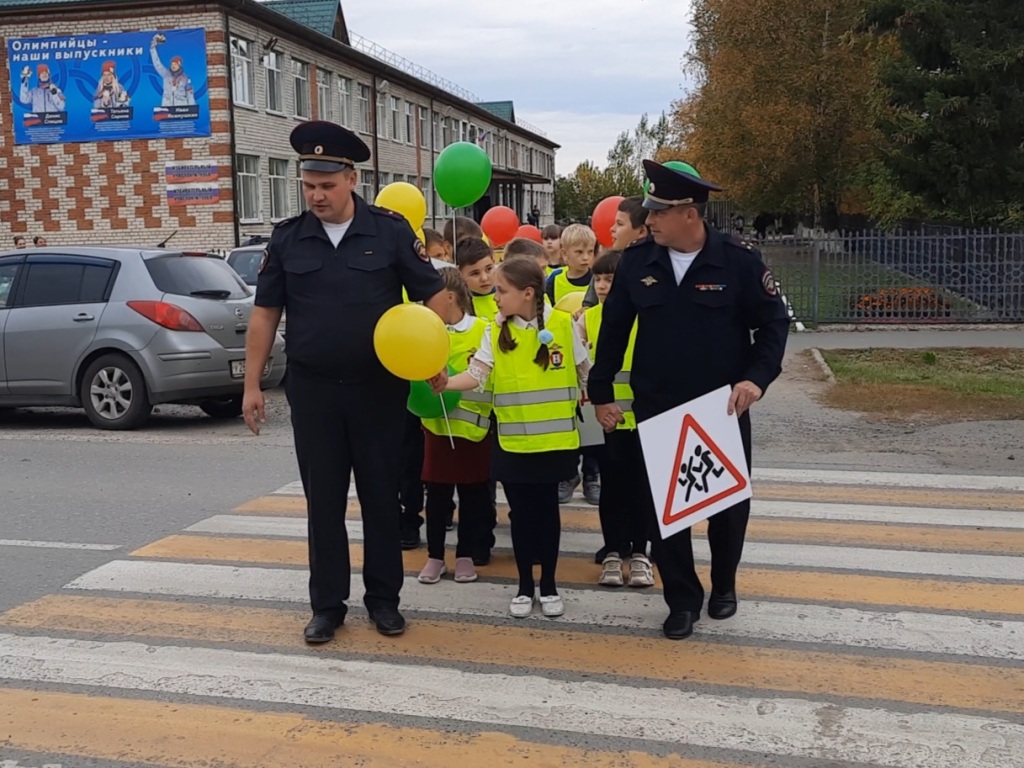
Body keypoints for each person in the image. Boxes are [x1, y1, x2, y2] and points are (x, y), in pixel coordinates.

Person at [243, 120, 446, 643]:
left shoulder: (391, 231)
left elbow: (433, 299)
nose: (317, 195)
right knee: (324, 501)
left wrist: (434, 355)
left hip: (378, 391)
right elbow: (265, 315)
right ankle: (327, 606)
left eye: (327, 185)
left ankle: (384, 601)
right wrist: (252, 385)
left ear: (351, 179)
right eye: (309, 184)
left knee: (381, 496)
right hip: (313, 393)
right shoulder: (289, 239)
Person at [589, 159, 788, 641]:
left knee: (726, 506)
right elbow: (613, 332)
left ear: (689, 214)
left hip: (721, 406)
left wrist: (755, 380)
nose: (648, 219)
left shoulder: (737, 261)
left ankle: (723, 585)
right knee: (666, 510)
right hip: (658, 405)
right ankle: (682, 599)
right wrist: (599, 394)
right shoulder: (638, 263)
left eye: (657, 212)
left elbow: (773, 324)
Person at [437, 258, 589, 619]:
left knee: (548, 515)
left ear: (528, 293)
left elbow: (585, 371)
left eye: (502, 290)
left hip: (555, 443)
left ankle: (549, 585)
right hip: (513, 444)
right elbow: (477, 374)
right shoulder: (495, 331)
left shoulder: (563, 326)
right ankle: (524, 586)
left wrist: (596, 403)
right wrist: (446, 384)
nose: (496, 295)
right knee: (520, 516)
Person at [577, 249, 653, 588]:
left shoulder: (647, 315)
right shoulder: (587, 318)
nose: (605, 285)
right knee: (612, 488)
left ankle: (640, 552)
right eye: (600, 279)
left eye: (611, 278)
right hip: (607, 419)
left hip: (645, 418)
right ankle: (613, 549)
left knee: (642, 488)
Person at [416, 268, 494, 586]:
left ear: (449, 297)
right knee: (436, 494)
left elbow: (486, 376)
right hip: (437, 429)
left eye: (429, 298)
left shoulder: (483, 330)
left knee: (474, 496)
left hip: (474, 430)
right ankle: (435, 556)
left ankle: (465, 555)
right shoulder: (427, 332)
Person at [583, 196, 650, 311]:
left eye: (619, 224)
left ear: (642, 231)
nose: (612, 229)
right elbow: (589, 306)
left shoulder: (658, 267)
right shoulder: (606, 264)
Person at [546, 223, 594, 306]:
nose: (586, 257)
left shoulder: (597, 279)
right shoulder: (554, 279)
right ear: (565, 254)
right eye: (579, 252)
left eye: (590, 251)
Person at [456, 236, 498, 321]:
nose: (484, 278)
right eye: (475, 273)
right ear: (459, 272)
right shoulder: (458, 306)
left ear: (494, 262)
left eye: (489, 269)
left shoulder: (510, 296)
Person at [151, 34, 195, 107]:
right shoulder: (166, 74)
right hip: (166, 109)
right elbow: (157, 64)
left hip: (180, 111)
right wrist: (152, 49)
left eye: (175, 64)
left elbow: (190, 96)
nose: (173, 66)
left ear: (179, 65)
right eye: (172, 64)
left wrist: (193, 109)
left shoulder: (186, 79)